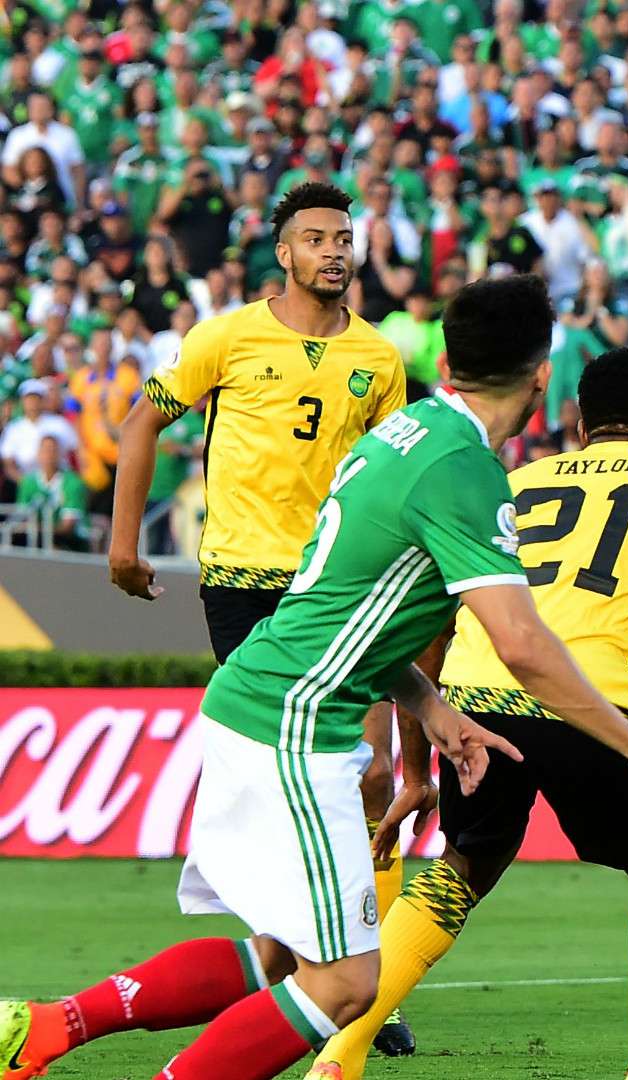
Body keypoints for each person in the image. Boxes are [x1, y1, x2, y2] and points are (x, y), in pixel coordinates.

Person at [0, 276, 628, 1080]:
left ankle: (44, 1029)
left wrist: (428, 702)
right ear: (543, 377)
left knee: (278, 956)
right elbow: (523, 644)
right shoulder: (463, 469)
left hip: (269, 694)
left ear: (447, 359)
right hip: (295, 722)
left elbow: (343, 598)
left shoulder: (405, 430)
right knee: (343, 985)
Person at [307, 343, 628, 1080]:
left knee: (459, 869)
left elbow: (432, 627)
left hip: (475, 696)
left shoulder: (514, 481)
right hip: (591, 700)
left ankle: (338, 1059)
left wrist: (418, 767)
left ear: (578, 424)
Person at [102, 182, 422, 1054]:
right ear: (284, 253)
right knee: (318, 771)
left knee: (371, 779)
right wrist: (124, 545)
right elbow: (141, 423)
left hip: (343, 580)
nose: (334, 251)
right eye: (316, 238)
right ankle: (317, 968)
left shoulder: (378, 356)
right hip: (246, 581)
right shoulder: (227, 336)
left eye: (344, 238)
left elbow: (393, 473)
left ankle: (355, 977)